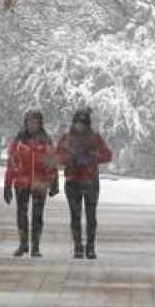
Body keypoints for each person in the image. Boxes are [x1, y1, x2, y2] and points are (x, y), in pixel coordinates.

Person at [55, 107, 112, 259]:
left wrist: (93, 159)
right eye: (77, 123)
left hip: (90, 181)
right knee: (75, 215)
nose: (79, 126)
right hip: (73, 181)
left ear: (87, 124)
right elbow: (57, 156)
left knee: (91, 215)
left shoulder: (95, 138)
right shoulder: (67, 138)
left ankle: (91, 246)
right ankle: (78, 246)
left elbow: (108, 154)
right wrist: (69, 158)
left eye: (83, 123)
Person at [3, 110, 58, 257]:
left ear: (40, 124)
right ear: (25, 123)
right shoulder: (18, 142)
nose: (32, 125)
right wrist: (7, 185)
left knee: (37, 216)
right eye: (30, 122)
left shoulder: (46, 142)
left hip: (40, 184)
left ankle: (36, 246)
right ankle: (23, 244)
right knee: (21, 214)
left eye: (36, 122)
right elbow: (11, 164)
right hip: (22, 183)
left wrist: (54, 182)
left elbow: (52, 163)